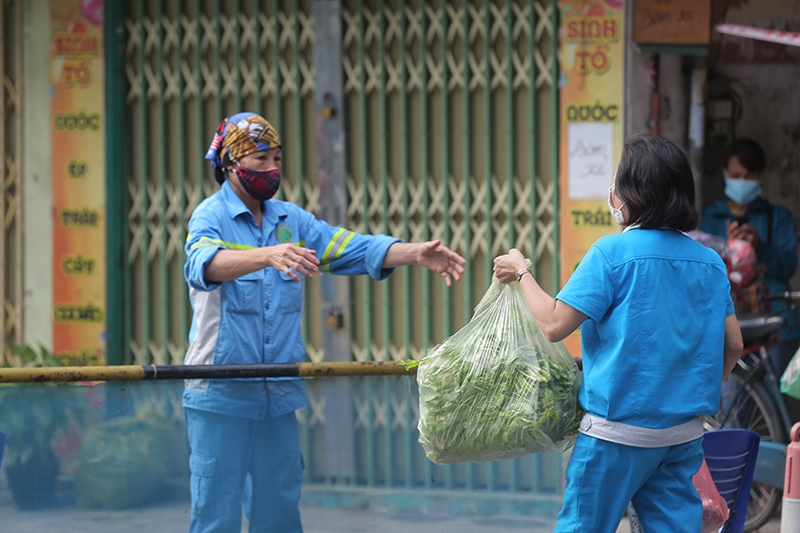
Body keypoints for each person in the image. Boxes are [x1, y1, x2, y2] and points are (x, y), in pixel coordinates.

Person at [183, 112, 466, 533]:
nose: (272, 167)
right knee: (216, 515)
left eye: (277, 157)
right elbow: (201, 265)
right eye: (260, 158)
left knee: (278, 511)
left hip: (277, 394)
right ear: (230, 163)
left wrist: (412, 253)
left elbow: (347, 247)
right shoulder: (211, 216)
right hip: (220, 392)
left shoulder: (290, 221)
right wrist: (266, 256)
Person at [493, 134, 742, 533]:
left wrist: (521, 270)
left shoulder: (610, 254)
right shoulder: (710, 262)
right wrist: (694, 389)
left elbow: (554, 325)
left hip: (614, 437)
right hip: (680, 437)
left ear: (631, 193)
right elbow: (734, 344)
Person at [700, 138, 799, 383]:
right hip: (731, 323)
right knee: (735, 406)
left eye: (748, 175)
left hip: (776, 325)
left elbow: (788, 267)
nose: (741, 182)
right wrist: (732, 250)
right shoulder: (712, 218)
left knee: (775, 406)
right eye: (736, 175)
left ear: (761, 175)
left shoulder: (779, 217)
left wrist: (758, 250)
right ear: (725, 174)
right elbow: (704, 272)